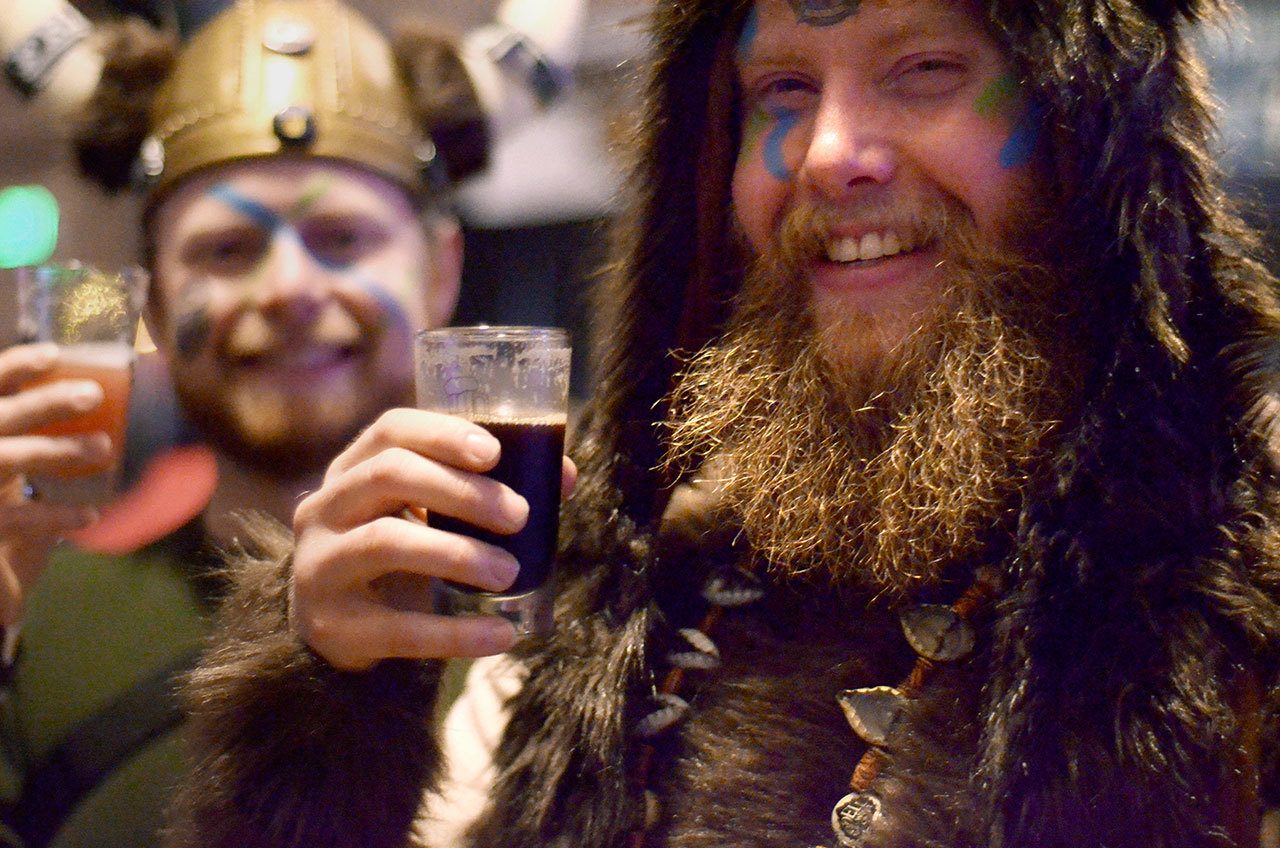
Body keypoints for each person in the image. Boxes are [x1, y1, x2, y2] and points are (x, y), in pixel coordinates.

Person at [167, 0, 1280, 847]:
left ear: (1085, 132)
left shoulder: (1248, 586)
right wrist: (327, 718)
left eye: (925, 70)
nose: (826, 153)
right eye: (780, 90)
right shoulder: (626, 578)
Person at [0, 1, 496, 845]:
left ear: (441, 272)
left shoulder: (544, 619)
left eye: (341, 238)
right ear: (153, 295)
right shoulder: (36, 614)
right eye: (228, 249)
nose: (288, 290)